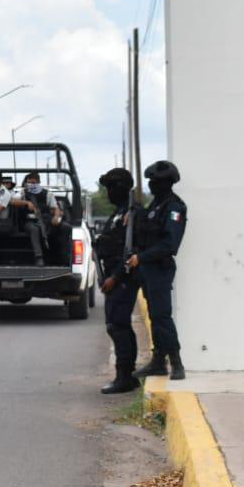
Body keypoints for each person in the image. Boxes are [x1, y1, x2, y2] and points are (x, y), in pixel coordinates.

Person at [129, 160, 187, 381]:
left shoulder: (174, 207)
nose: (151, 185)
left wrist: (140, 258)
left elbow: (169, 245)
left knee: (162, 316)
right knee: (155, 316)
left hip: (160, 269)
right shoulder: (155, 205)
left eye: (154, 181)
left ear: (165, 183)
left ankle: (176, 363)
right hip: (148, 269)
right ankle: (158, 362)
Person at [94, 168, 142, 394]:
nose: (108, 193)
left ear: (120, 188)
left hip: (122, 277)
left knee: (118, 325)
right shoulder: (119, 213)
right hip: (113, 274)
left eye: (110, 188)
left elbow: (130, 249)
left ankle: (124, 376)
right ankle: (128, 374)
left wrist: (115, 277)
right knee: (118, 325)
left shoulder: (132, 214)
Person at [19, 171, 67, 263]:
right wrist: (26, 202)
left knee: (65, 227)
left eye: (33, 183)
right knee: (34, 229)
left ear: (38, 182)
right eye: (29, 182)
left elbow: (55, 207)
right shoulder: (23, 193)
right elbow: (13, 201)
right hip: (30, 222)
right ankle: (39, 257)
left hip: (45, 221)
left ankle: (64, 257)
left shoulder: (47, 194)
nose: (31, 185)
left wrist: (56, 217)